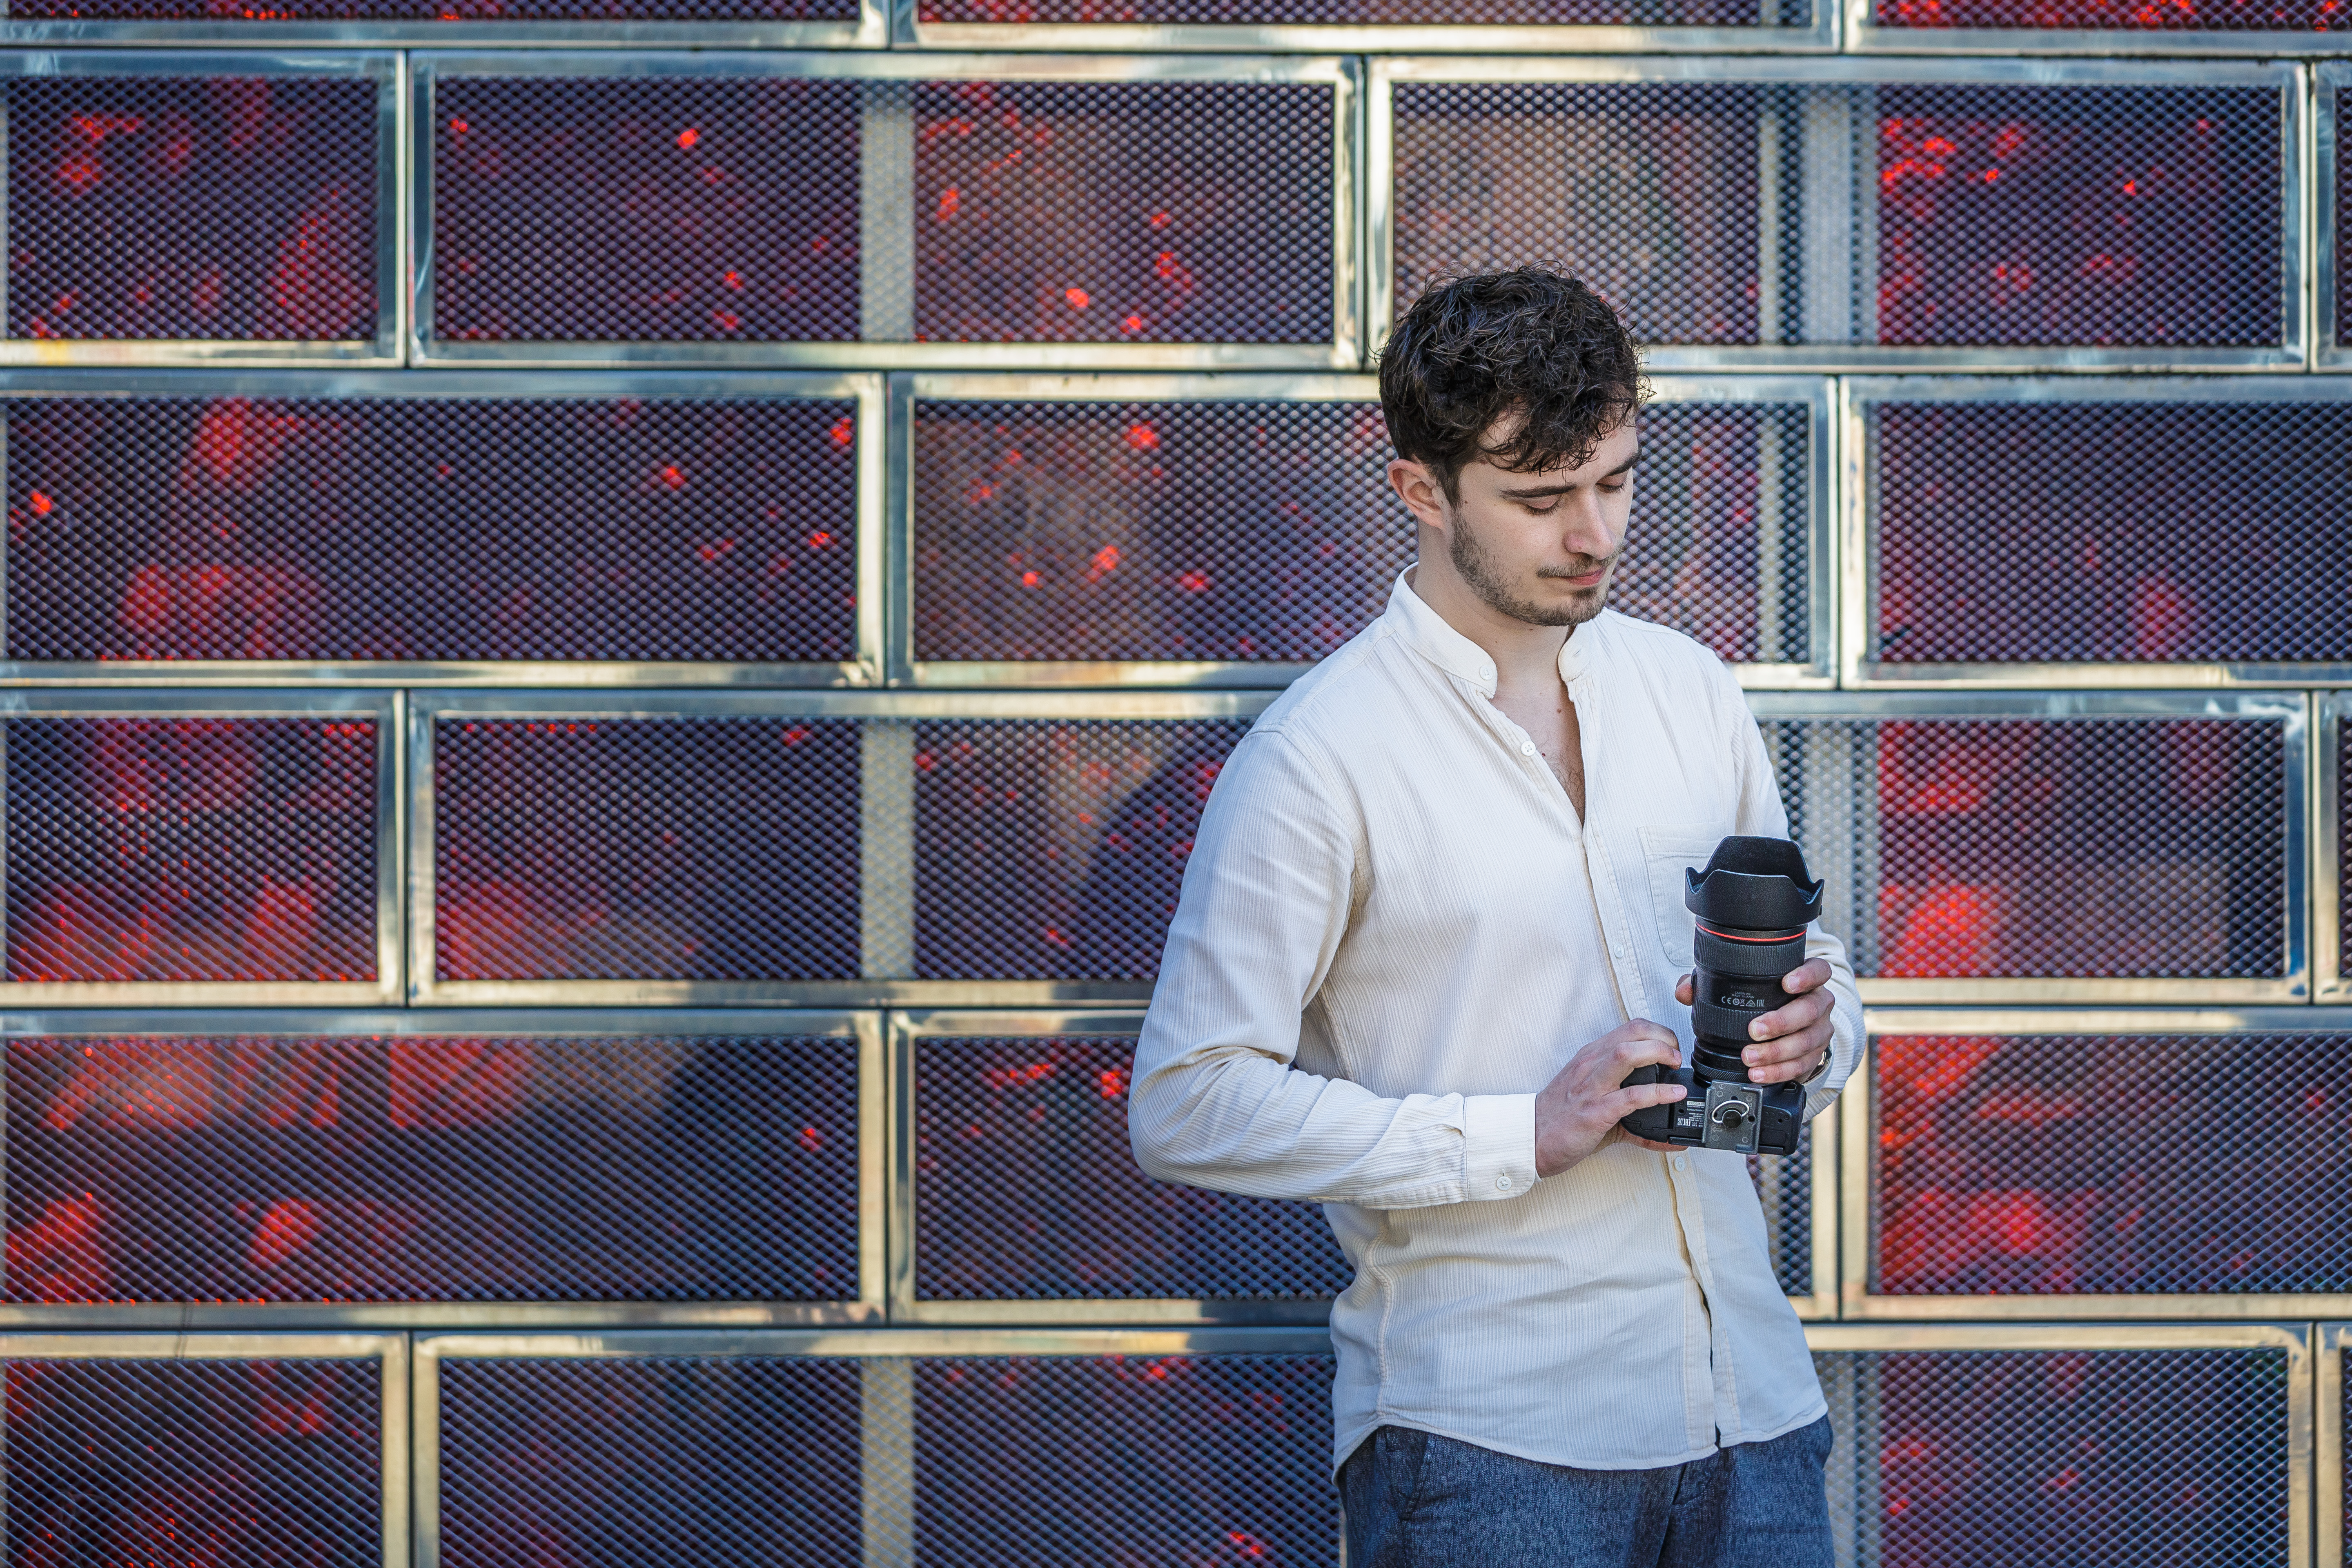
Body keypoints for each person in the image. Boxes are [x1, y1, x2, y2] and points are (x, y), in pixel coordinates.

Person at [1127, 266, 1864, 1567]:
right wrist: (1520, 1132)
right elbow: (1188, 1099)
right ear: (1419, 489)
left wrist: (1821, 1028)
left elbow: (1818, 972)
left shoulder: (1695, 693)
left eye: (1617, 482)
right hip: (1487, 1453)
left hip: (1756, 1421)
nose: (1595, 535)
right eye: (1540, 499)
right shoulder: (1320, 757)